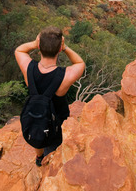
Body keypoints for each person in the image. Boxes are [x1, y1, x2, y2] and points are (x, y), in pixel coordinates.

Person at [15, 26, 85, 166]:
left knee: (38, 129)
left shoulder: (28, 67)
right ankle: (53, 159)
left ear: (39, 46)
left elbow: (20, 50)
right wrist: (65, 48)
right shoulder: (65, 75)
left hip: (35, 115)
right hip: (56, 122)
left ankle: (39, 157)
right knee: (53, 141)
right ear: (59, 49)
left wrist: (35, 44)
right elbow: (80, 63)